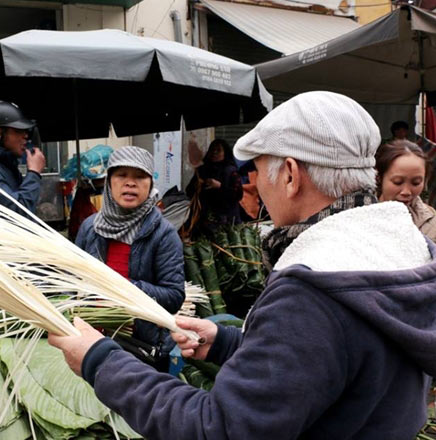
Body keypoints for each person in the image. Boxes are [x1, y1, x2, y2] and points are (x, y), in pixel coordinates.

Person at [49, 91, 436, 440]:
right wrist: (227, 342)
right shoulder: (407, 250)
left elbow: (218, 428)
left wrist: (100, 360)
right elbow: (325, 363)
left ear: (289, 174)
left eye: (257, 170)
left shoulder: (311, 290)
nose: (255, 185)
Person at [74, 146, 185, 366]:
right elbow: (73, 282)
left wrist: (124, 287)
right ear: (109, 182)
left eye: (139, 176)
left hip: (140, 350)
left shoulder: (163, 234)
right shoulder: (90, 228)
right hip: (92, 344)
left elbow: (173, 297)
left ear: (150, 183)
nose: (130, 183)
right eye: (121, 175)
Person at [376, 139, 436, 241]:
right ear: (379, 178)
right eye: (398, 182)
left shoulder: (430, 223)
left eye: (416, 183)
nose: (406, 192)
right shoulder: (357, 216)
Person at [184, 139, 243, 234]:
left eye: (218, 150)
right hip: (203, 220)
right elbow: (189, 191)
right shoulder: (202, 170)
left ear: (225, 153)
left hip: (227, 221)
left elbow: (238, 195)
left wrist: (220, 186)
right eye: (212, 150)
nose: (214, 152)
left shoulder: (231, 172)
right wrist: (197, 185)